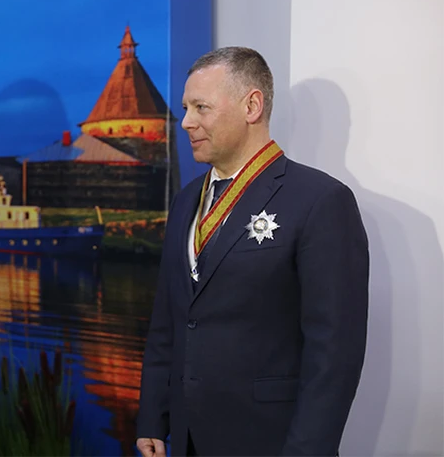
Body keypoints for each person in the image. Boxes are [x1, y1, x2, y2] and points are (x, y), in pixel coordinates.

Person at [136, 47, 369, 456]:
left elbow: (334, 355)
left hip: (270, 441)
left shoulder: (320, 201)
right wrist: (153, 417)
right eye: (186, 108)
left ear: (252, 106)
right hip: (188, 439)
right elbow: (169, 321)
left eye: (201, 107)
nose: (186, 122)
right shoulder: (186, 200)